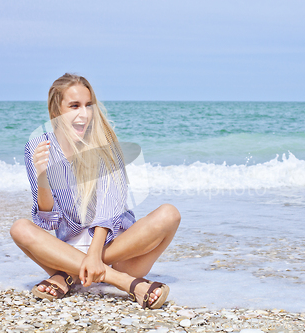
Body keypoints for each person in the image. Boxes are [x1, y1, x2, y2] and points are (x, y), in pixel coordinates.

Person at [10, 73, 181, 309]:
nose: (84, 114)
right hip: (67, 248)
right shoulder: (37, 147)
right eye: (74, 106)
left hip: (117, 251)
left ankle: (69, 275)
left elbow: (109, 208)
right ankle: (126, 283)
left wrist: (93, 256)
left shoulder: (105, 143)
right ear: (56, 111)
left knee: (169, 214)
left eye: (88, 105)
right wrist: (43, 177)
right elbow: (46, 221)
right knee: (20, 228)